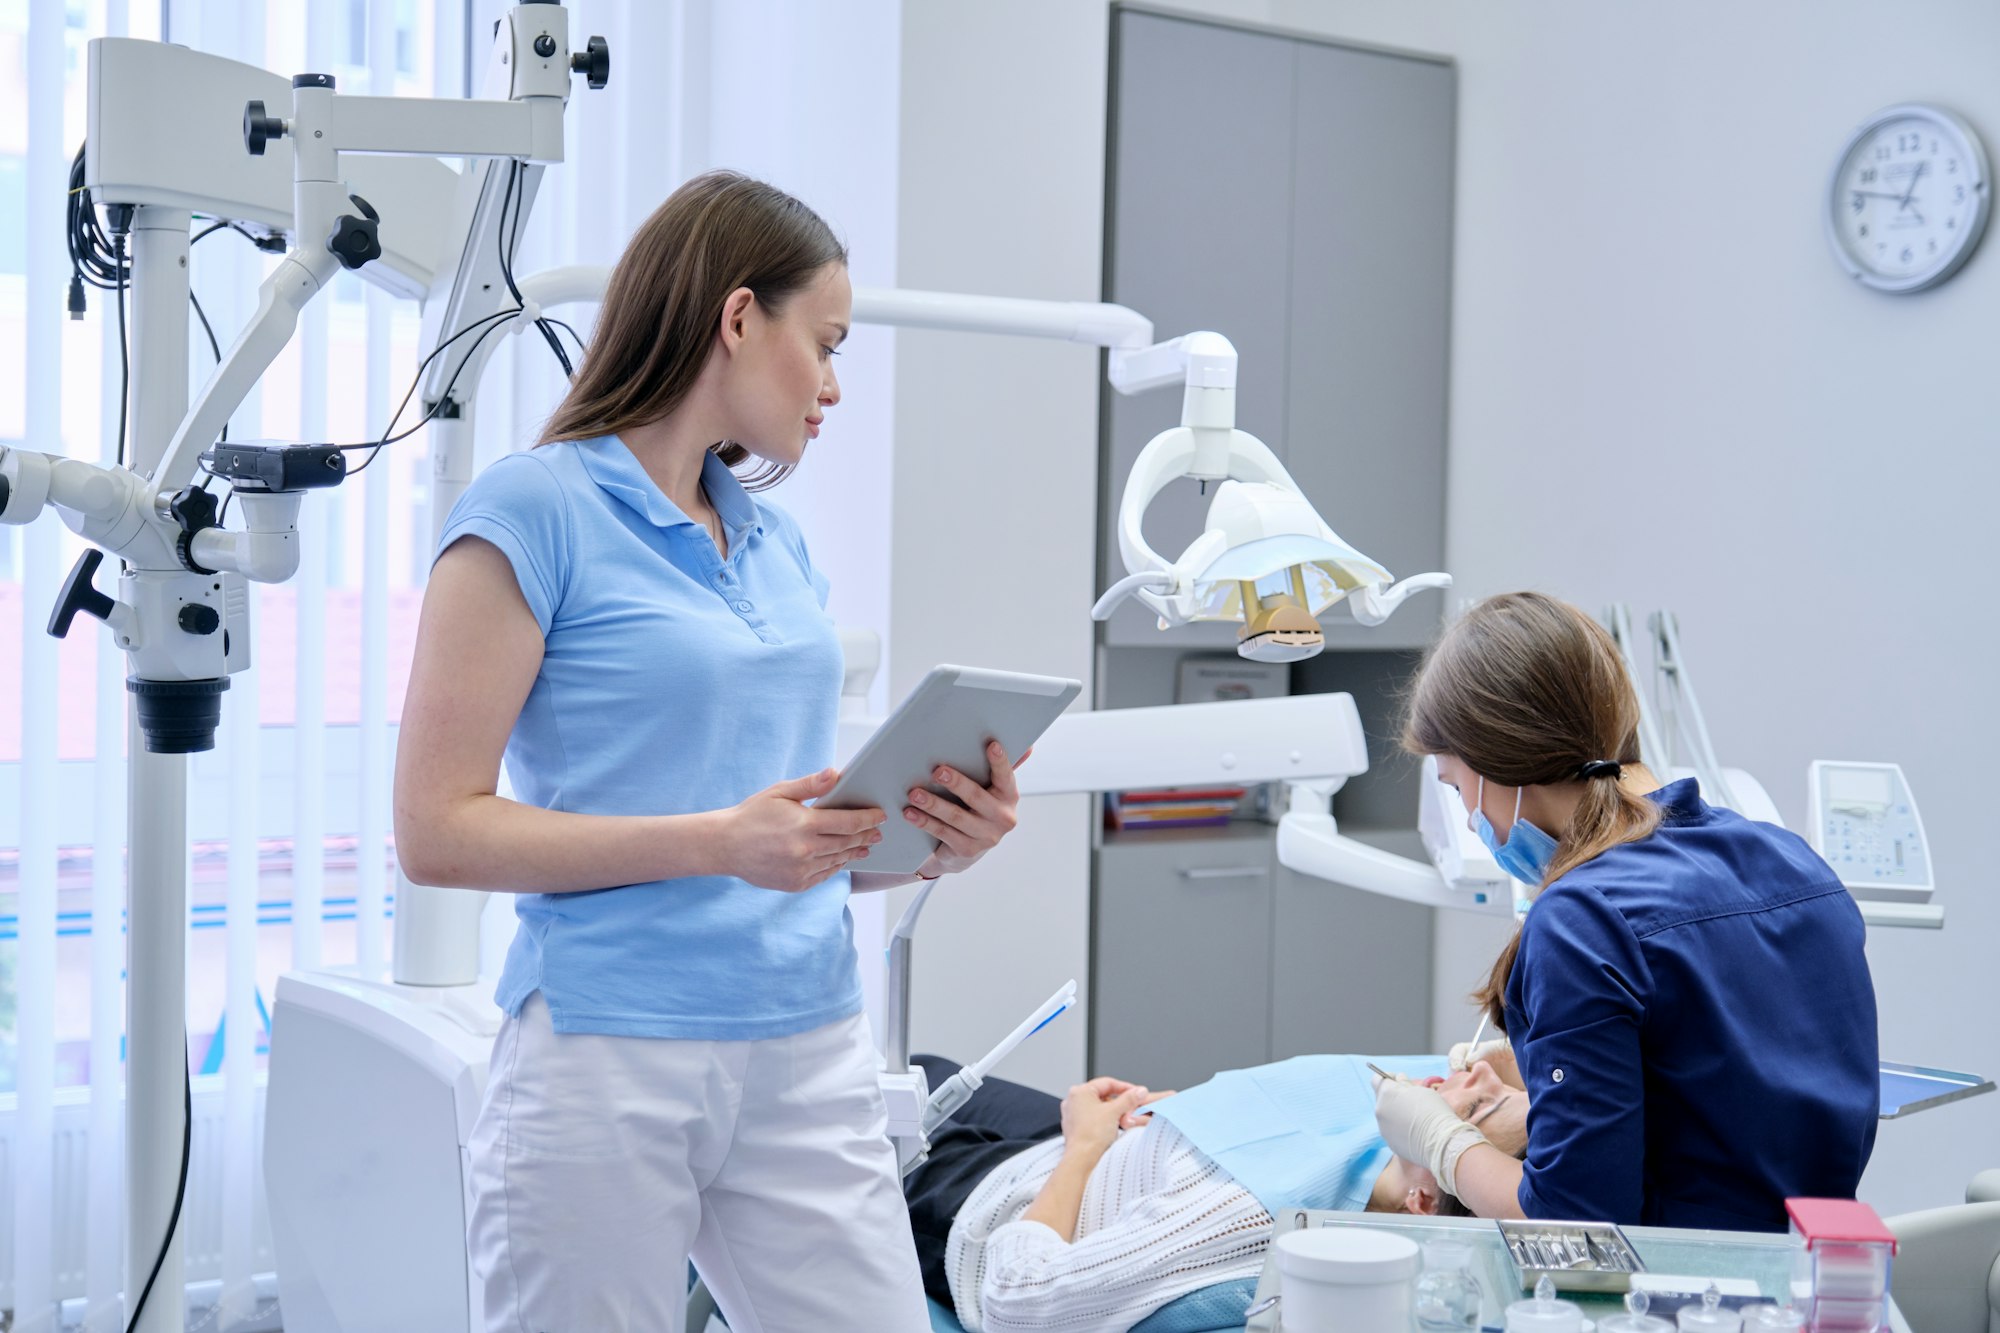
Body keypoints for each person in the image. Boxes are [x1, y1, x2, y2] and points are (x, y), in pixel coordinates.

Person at [393, 171, 1029, 1333]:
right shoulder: (530, 511)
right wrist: (723, 843)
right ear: (738, 317)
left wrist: (929, 839)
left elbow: (797, 846)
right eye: (823, 344)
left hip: (805, 1038)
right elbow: (435, 829)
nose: (833, 386)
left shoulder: (772, 539)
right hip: (607, 1047)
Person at [1374, 591, 1879, 1231]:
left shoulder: (1582, 920)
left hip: (1681, 1294)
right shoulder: (1795, 863)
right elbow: (1727, 1088)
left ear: (1501, 761)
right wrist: (1544, 1071)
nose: (1471, 822)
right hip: (1813, 1279)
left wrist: (1443, 1145)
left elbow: (1574, 1223)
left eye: (1456, 787)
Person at [904, 1053, 1527, 1332]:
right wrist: (1196, 1121)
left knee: (881, 1099)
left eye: (1477, 1100)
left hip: (998, 1203)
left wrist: (1083, 1146)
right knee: (923, 1063)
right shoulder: (1384, 1141)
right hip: (1118, 1143)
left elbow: (1021, 1300)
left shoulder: (1245, 1217)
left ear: (1424, 1201)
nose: (1469, 1070)